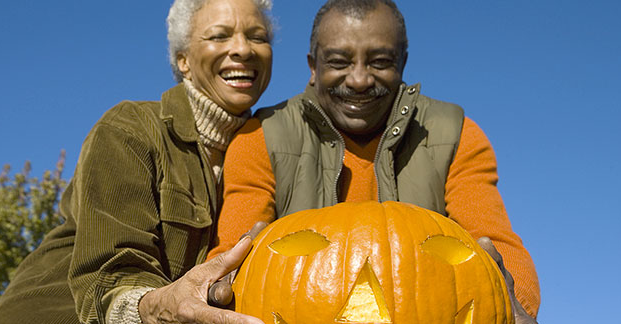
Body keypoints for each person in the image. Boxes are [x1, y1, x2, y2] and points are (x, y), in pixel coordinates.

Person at [208, 0, 540, 322]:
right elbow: (232, 251)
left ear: (402, 63)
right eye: (339, 62)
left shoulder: (454, 133)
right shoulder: (260, 137)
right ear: (313, 66)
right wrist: (221, 287)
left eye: (380, 62)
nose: (359, 80)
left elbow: (494, 242)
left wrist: (513, 309)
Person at [0, 0, 273, 323]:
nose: (243, 49)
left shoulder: (269, 149)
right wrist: (155, 306)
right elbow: (113, 274)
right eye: (219, 36)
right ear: (184, 61)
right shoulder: (130, 128)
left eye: (258, 37)